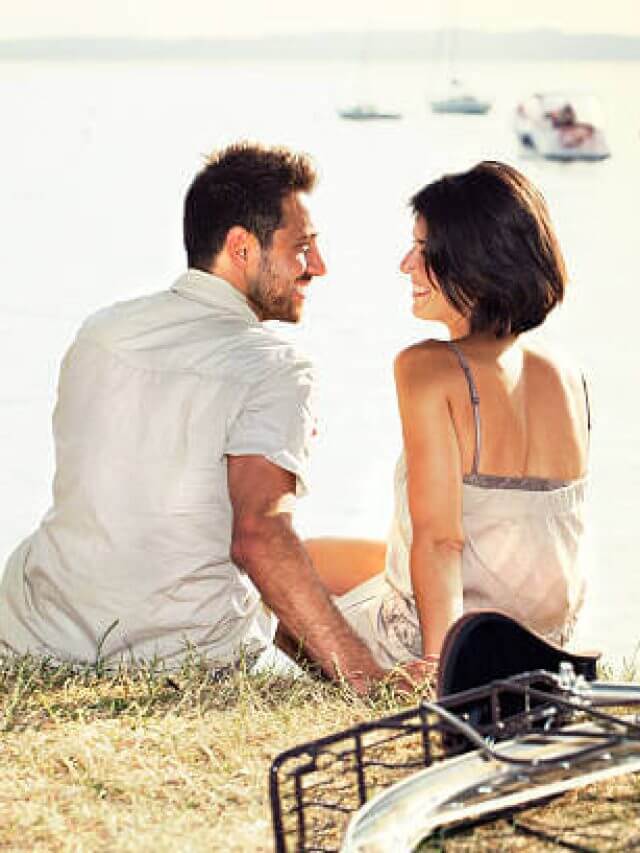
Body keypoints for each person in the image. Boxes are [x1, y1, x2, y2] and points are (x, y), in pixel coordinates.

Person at [0, 142, 395, 694]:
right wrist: (368, 680)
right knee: (387, 583)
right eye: (302, 248)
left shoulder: (101, 331)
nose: (319, 268)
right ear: (241, 247)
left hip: (39, 633)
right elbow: (259, 534)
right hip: (183, 656)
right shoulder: (276, 366)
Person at [305, 161, 590, 678]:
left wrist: (442, 666)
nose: (405, 264)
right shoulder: (565, 371)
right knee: (315, 559)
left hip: (463, 640)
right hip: (546, 643)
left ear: (475, 261)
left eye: (423, 250)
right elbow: (533, 529)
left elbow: (441, 540)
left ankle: (375, 683)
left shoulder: (428, 368)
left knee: (288, 587)